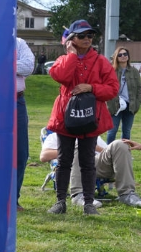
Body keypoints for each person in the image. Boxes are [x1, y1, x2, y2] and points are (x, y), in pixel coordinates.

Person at [46, 20, 117, 216]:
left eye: (90, 35)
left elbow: (112, 89)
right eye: (82, 35)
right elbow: (61, 76)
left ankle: (88, 203)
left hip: (90, 119)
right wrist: (71, 55)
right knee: (64, 160)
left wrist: (91, 87)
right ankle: (60, 201)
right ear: (71, 39)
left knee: (87, 162)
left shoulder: (101, 61)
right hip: (65, 119)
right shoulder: (63, 59)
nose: (87, 39)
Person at [39, 131, 141, 208]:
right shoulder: (55, 136)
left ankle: (126, 194)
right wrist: (74, 148)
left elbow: (106, 152)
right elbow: (44, 156)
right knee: (79, 143)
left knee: (120, 144)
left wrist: (92, 146)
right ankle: (79, 195)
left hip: (96, 164)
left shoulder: (93, 135)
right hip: (74, 165)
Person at [105, 46, 140, 143]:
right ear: (116, 57)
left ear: (128, 56)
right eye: (120, 55)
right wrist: (108, 103)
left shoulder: (134, 71)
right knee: (112, 131)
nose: (123, 56)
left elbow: (138, 89)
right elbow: (106, 88)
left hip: (130, 105)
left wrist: (137, 103)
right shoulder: (111, 71)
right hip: (115, 105)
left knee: (127, 132)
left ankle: (125, 153)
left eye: (125, 54)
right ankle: (109, 154)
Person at [14, 38, 35, 199]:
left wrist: (1, 62)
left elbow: (28, 67)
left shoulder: (19, 42)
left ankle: (13, 198)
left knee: (21, 152)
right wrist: (14, 64)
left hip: (17, 101)